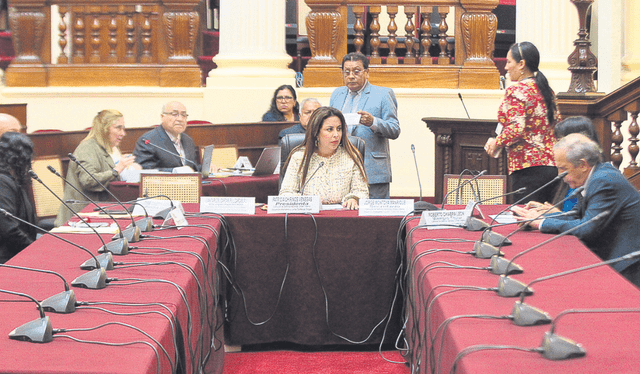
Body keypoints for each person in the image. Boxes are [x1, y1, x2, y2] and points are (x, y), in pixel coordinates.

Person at [513, 133, 640, 288]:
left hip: (627, 265)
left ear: (582, 165)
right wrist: (540, 217)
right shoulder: (594, 175)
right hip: (613, 257)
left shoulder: (603, 180)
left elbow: (586, 228)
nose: (560, 175)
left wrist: (541, 223)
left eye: (563, 168)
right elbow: (576, 215)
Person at [485, 41, 560, 204]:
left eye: (509, 62)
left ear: (521, 64)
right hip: (552, 166)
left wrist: (495, 142)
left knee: (525, 222)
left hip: (528, 168)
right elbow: (557, 122)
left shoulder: (516, 90)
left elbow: (516, 129)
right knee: (544, 219)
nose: (505, 67)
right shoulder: (547, 90)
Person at [329, 52, 400, 199]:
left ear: (366, 72)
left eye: (356, 71)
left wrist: (373, 122)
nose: (351, 76)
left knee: (376, 219)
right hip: (341, 169)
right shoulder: (337, 94)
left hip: (372, 170)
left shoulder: (383, 94)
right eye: (346, 72)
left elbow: (394, 129)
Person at [55, 110, 140, 226]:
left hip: (101, 213)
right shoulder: (87, 148)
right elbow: (88, 180)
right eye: (118, 128)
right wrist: (117, 169)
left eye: (123, 128)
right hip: (80, 218)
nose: (123, 133)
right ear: (104, 129)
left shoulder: (111, 148)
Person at [279, 106, 369, 210]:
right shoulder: (299, 157)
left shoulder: (351, 156)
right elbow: (286, 194)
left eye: (339, 129)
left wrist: (354, 199)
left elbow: (361, 192)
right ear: (316, 133)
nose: (336, 135)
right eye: (329, 129)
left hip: (342, 217)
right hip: (308, 216)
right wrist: (306, 202)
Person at [525, 116, 601, 213]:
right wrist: (544, 211)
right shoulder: (574, 175)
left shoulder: (598, 181)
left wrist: (555, 214)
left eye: (560, 140)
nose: (556, 145)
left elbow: (585, 224)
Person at [0, 132, 37, 263]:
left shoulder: (11, 179)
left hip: (17, 251)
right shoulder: (2, 182)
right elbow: (8, 229)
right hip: (8, 258)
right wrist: (33, 248)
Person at [133, 101, 200, 172]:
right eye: (174, 114)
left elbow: (192, 167)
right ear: (162, 117)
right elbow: (144, 169)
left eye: (183, 115)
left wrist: (205, 168)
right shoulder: (148, 141)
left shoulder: (188, 140)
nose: (180, 119)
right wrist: (174, 171)